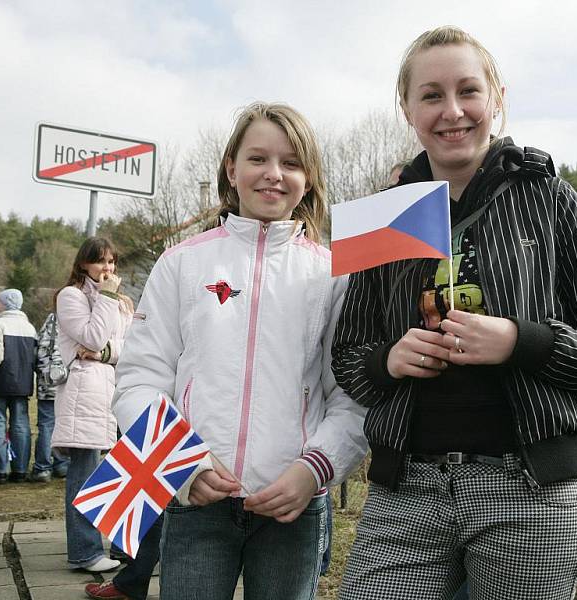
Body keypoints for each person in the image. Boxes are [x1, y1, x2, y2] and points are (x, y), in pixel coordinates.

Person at [332, 26, 577, 600]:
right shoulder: (385, 215)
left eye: (468, 90)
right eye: (430, 95)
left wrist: (522, 341)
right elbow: (347, 357)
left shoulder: (550, 199)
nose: (452, 111)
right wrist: (389, 360)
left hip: (529, 494)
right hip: (407, 493)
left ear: (497, 96)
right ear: (406, 108)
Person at [113, 101, 368, 600]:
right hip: (195, 499)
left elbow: (351, 395)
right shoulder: (181, 264)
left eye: (291, 162)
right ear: (232, 167)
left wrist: (315, 469)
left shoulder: (336, 274)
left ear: (309, 177)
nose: (274, 175)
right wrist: (181, 462)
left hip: (294, 506)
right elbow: (140, 380)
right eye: (258, 159)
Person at [51, 237, 133, 572]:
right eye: (100, 261)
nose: (108, 269)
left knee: (125, 472)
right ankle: (85, 552)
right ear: (84, 264)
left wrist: (105, 353)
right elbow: (93, 336)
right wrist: (108, 298)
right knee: (84, 474)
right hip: (85, 394)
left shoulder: (122, 301)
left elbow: (131, 345)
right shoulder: (71, 296)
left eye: (112, 262)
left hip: (117, 388)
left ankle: (123, 546)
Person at [0, 289, 37, 483]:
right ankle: (20, 469)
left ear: (5, 304)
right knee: (21, 425)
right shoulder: (30, 327)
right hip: (23, 383)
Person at [29, 311, 70, 482]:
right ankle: (61, 464)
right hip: (69, 384)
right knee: (64, 425)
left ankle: (42, 468)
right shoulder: (79, 319)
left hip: (48, 382)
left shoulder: (52, 321)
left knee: (46, 426)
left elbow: (40, 351)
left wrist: (41, 372)